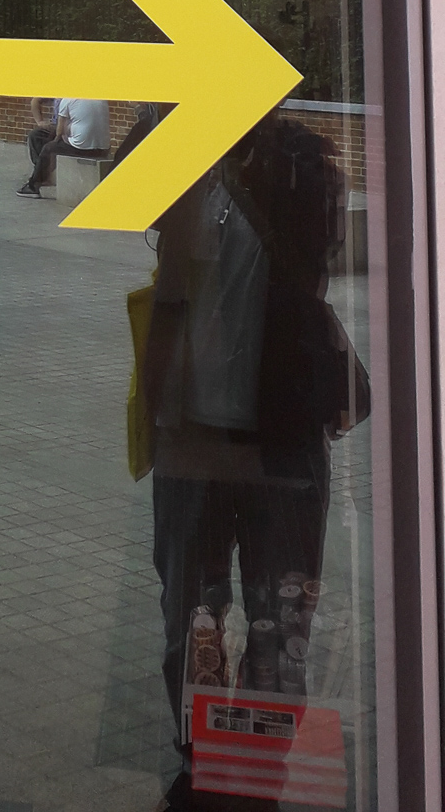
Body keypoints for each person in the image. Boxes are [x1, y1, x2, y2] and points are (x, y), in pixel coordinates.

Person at [140, 109, 365, 809]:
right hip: (193, 443)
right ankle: (201, 765)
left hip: (281, 444)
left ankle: (257, 774)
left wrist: (251, 161)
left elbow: (315, 257)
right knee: (191, 623)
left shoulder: (297, 161)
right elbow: (130, 187)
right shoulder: (179, 155)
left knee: (279, 626)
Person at [17, 93, 110, 196]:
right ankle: (43, 173)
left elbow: (60, 132)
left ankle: (33, 186)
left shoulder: (67, 100)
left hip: (82, 148)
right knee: (38, 136)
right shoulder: (100, 98)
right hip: (104, 148)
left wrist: (56, 141)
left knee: (49, 148)